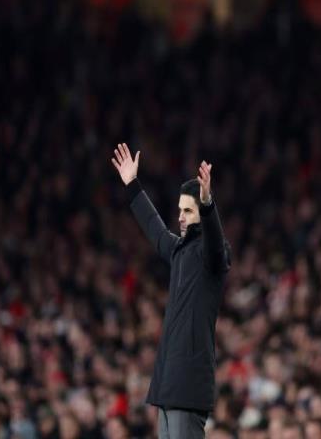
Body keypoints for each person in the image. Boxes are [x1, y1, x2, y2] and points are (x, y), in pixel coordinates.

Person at [111, 143, 231, 438]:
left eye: (188, 211)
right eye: (180, 210)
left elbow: (215, 244)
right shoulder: (178, 251)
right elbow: (154, 228)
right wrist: (132, 185)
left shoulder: (213, 255)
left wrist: (207, 204)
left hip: (188, 384)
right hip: (168, 380)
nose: (180, 217)